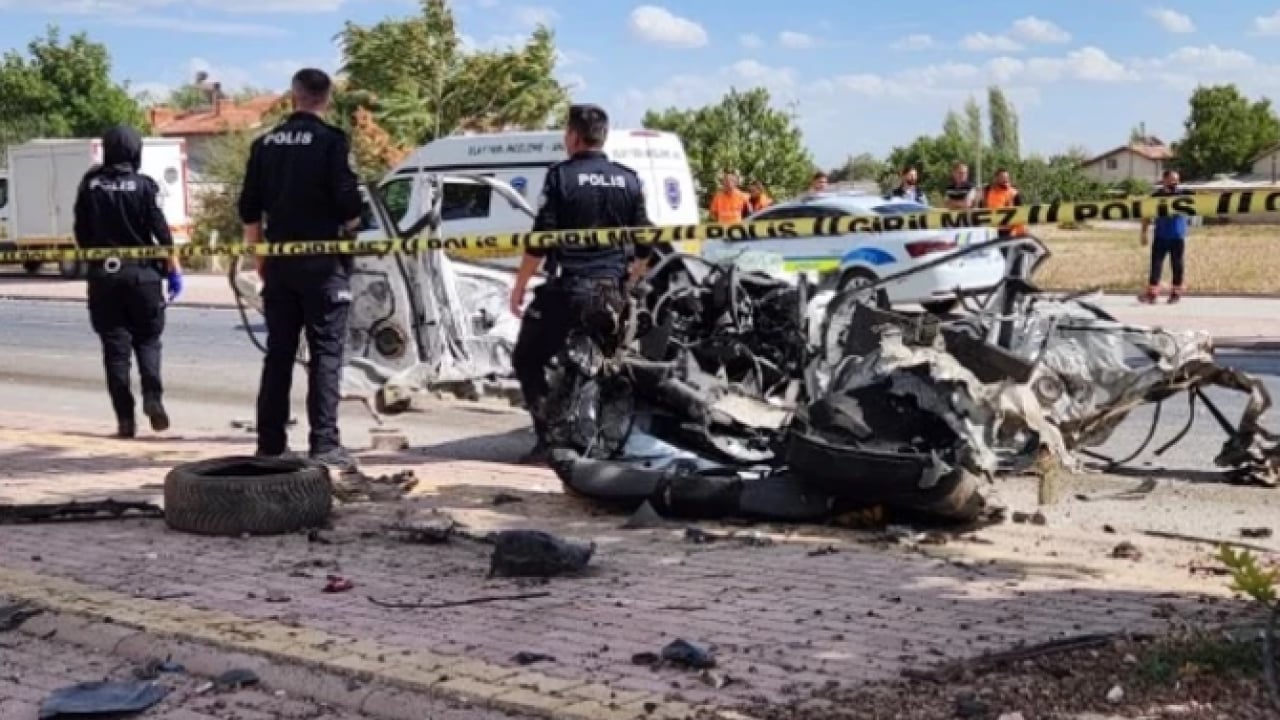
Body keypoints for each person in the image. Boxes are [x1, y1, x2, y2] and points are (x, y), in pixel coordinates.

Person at [508, 103, 654, 464]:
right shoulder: (629, 178)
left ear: (573, 136)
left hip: (569, 289)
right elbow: (645, 244)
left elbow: (541, 239)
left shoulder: (560, 176)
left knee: (528, 357)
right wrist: (628, 282)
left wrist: (520, 285)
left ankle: (551, 438)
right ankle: (596, 443)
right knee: (600, 366)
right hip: (610, 291)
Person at [237, 68, 364, 470]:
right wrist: (353, 229)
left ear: (293, 97)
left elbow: (249, 208)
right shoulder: (331, 142)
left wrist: (258, 256)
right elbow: (348, 202)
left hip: (279, 263)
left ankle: (270, 443)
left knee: (278, 354)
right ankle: (324, 444)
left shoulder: (265, 144)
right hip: (324, 266)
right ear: (325, 99)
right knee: (326, 355)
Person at [73, 125, 183, 439]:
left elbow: (81, 232)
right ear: (136, 151)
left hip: (104, 278)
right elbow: (162, 234)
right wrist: (173, 270)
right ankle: (153, 396)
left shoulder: (90, 184)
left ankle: (125, 421)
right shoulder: (145, 186)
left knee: (115, 350)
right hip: (143, 277)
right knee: (148, 341)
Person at [1139, 169, 1194, 304]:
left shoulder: (1185, 195)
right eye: (1171, 179)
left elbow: (1206, 199)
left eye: (1177, 180)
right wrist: (1144, 232)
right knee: (1156, 265)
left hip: (1177, 236)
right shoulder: (1156, 197)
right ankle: (1152, 293)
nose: (1174, 182)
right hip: (1160, 236)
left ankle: (1175, 293)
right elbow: (1146, 215)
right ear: (1164, 180)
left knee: (1177, 265)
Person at [979, 168, 1026, 239]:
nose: (1005, 180)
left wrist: (1018, 231)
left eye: (1007, 178)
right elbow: (981, 207)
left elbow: (1021, 213)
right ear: (996, 178)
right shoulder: (987, 190)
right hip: (991, 230)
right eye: (1002, 178)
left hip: (1008, 230)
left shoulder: (1013, 192)